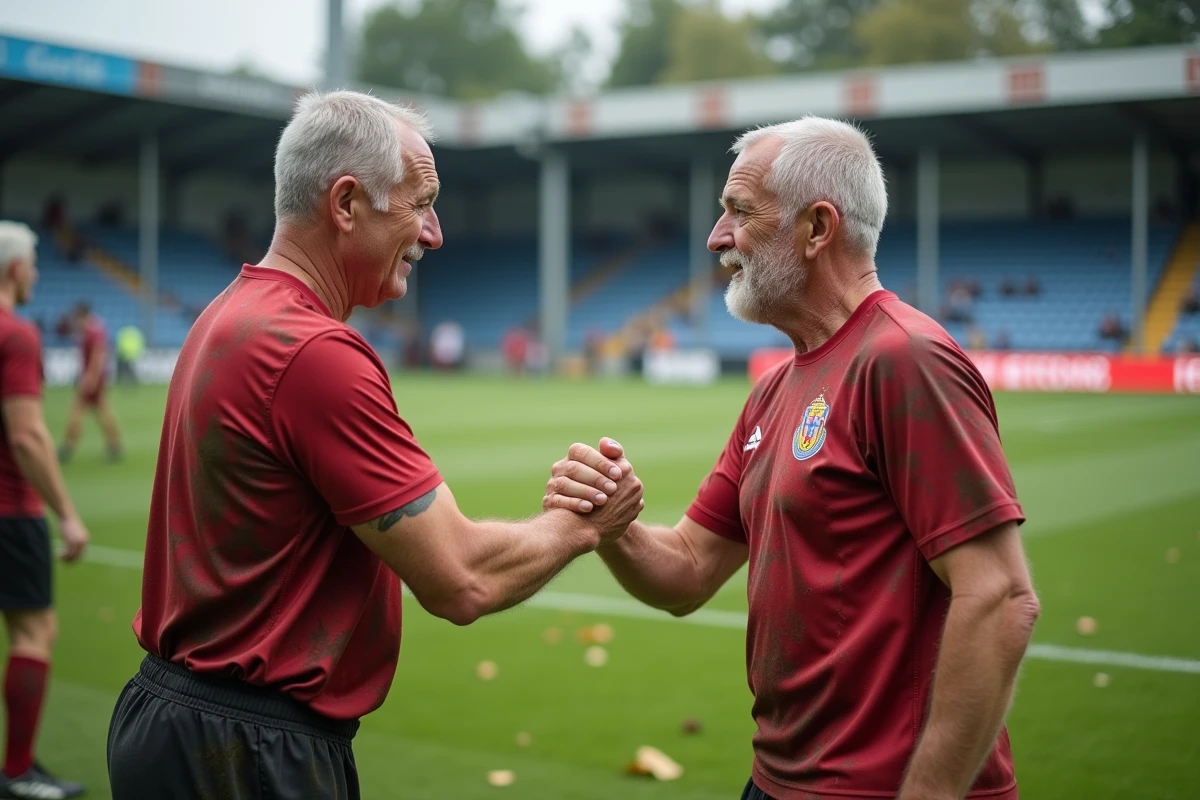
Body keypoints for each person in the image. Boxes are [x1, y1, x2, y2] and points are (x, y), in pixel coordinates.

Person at [106, 91, 644, 800]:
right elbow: (460, 578)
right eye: (420, 202)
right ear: (347, 202)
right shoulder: (313, 351)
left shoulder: (229, 314)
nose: (435, 232)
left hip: (176, 719)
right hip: (248, 749)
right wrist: (584, 524)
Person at [545, 118, 1039, 800]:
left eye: (739, 212)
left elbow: (1001, 595)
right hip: (778, 782)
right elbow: (688, 571)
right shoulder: (776, 387)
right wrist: (613, 527)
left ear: (817, 228)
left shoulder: (904, 359)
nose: (717, 237)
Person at [0, 221, 90, 799]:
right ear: (14, 269)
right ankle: (17, 771)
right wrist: (68, 514)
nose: (36, 272)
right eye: (33, 263)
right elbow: (28, 436)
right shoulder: (16, 334)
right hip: (11, 510)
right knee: (35, 631)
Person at [58, 303, 122, 462]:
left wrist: (90, 377)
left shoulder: (93, 331)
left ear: (83, 316)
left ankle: (67, 448)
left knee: (78, 411)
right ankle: (114, 445)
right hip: (95, 378)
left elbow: (98, 355)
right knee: (102, 411)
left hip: (92, 379)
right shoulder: (92, 330)